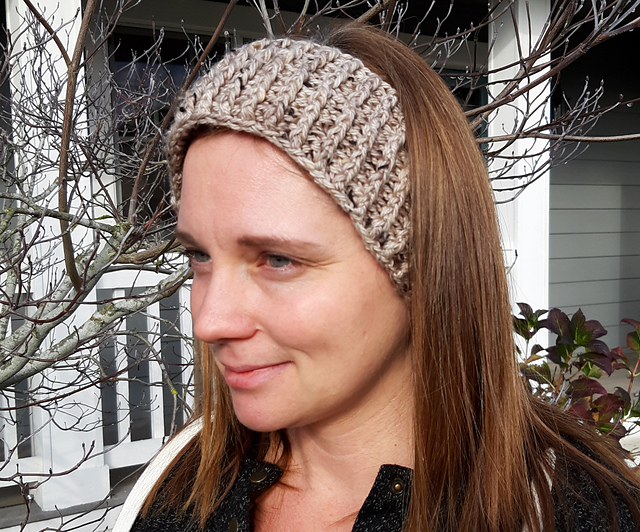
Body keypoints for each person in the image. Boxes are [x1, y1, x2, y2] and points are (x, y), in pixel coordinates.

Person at [113, 22, 640, 532]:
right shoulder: (174, 487)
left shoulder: (572, 513)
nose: (209, 322)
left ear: (419, 266)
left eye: (278, 260)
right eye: (200, 255)